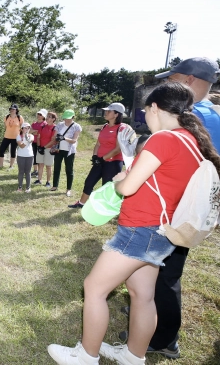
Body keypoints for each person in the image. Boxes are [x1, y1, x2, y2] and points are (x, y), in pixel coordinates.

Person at [48, 82, 220, 365]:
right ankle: (132, 355)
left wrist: (119, 181)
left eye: (146, 111)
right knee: (142, 295)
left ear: (155, 108)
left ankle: (86, 356)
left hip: (140, 228)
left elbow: (128, 187)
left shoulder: (164, 139)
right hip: (163, 231)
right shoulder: (192, 141)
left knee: (94, 288)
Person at [116, 57, 220, 358]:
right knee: (155, 277)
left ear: (187, 80)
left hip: (172, 215)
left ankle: (162, 337)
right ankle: (146, 316)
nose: (164, 85)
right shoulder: (201, 115)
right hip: (180, 210)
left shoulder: (194, 117)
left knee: (166, 275)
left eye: (170, 78)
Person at [69, 103, 126, 209]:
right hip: (100, 161)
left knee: (107, 186)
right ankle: (82, 203)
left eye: (109, 111)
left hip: (113, 162)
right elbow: (98, 143)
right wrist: (95, 156)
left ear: (116, 114)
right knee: (89, 181)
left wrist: (102, 159)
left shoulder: (121, 128)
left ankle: (107, 208)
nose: (106, 113)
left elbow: (118, 149)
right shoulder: (104, 126)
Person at [156, 57, 220, 152]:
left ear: (189, 80)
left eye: (171, 79)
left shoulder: (191, 115)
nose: (166, 83)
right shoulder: (212, 111)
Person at [51, 109, 82, 197]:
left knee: (69, 169)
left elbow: (74, 140)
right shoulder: (60, 125)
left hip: (69, 151)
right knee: (56, 168)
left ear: (73, 117)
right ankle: (54, 185)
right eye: (65, 118)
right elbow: (54, 136)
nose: (66, 120)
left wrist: (64, 138)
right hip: (58, 149)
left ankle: (68, 189)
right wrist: (56, 138)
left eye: (68, 118)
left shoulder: (77, 126)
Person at [34, 111, 57, 187]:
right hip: (40, 148)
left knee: (48, 166)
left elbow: (53, 140)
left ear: (53, 119)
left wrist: (44, 147)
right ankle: (39, 180)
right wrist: (39, 146)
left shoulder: (55, 128)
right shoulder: (43, 126)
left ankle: (48, 182)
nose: (47, 118)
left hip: (48, 149)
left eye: (49, 117)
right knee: (40, 164)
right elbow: (38, 137)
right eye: (47, 116)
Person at [0, 104, 23, 168]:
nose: (12, 110)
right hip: (7, 136)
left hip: (15, 137)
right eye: (11, 109)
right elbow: (5, 126)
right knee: (1, 150)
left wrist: (21, 137)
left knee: (13, 151)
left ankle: (11, 166)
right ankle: (1, 165)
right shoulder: (6, 117)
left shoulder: (19, 117)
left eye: (13, 109)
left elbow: (22, 128)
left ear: (16, 110)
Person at [15, 122, 34, 192]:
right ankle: (20, 187)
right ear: (22, 129)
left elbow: (31, 139)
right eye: (25, 128)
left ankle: (28, 187)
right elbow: (21, 146)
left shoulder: (31, 135)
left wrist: (27, 138)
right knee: (21, 171)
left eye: (28, 128)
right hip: (21, 156)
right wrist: (26, 141)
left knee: (28, 172)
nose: (27, 129)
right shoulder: (18, 136)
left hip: (29, 156)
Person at [30, 109, 48, 176]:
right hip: (33, 142)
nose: (39, 116)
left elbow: (41, 133)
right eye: (38, 114)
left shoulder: (45, 124)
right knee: (34, 156)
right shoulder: (34, 123)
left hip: (40, 143)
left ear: (44, 116)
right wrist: (35, 131)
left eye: (40, 114)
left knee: (39, 157)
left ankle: (40, 171)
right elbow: (29, 131)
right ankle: (35, 170)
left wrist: (34, 131)